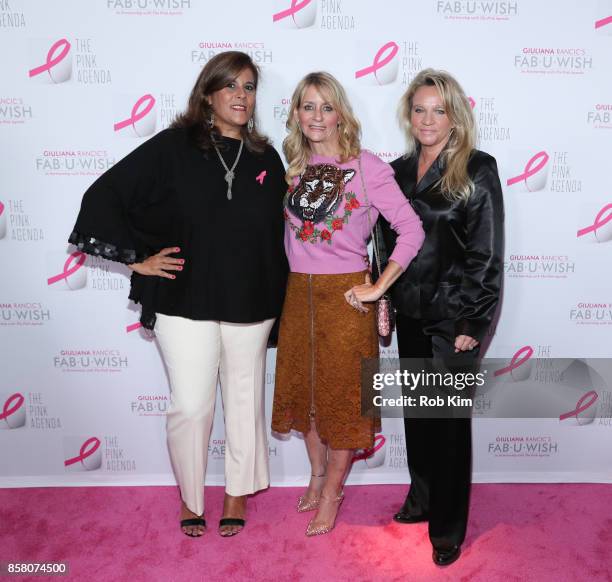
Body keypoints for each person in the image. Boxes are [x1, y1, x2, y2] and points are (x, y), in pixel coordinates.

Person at [68, 51, 288, 538]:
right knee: (191, 406)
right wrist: (135, 259)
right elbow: (104, 196)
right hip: (183, 298)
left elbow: (277, 235)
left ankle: (237, 492)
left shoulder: (266, 158)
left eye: (249, 87)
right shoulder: (171, 148)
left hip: (251, 301)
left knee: (246, 400)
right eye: (230, 86)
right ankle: (192, 499)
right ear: (207, 93)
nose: (241, 96)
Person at [271, 72, 425, 537]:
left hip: (346, 301)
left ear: (341, 113)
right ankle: (316, 477)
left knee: (343, 402)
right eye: (308, 106)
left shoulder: (368, 167)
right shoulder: (291, 166)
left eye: (326, 107)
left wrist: (378, 287)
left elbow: (412, 230)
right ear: (296, 113)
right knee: (308, 399)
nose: (317, 116)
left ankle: (334, 491)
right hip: (298, 295)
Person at [378, 69, 504, 566]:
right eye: (419, 109)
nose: (428, 119)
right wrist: (383, 296)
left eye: (439, 109)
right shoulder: (396, 170)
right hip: (410, 310)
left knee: (449, 423)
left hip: (454, 320)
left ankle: (448, 528)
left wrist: (474, 322)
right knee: (418, 416)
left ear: (455, 116)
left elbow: (486, 253)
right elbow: (386, 242)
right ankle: (423, 497)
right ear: (408, 115)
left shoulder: (477, 168)